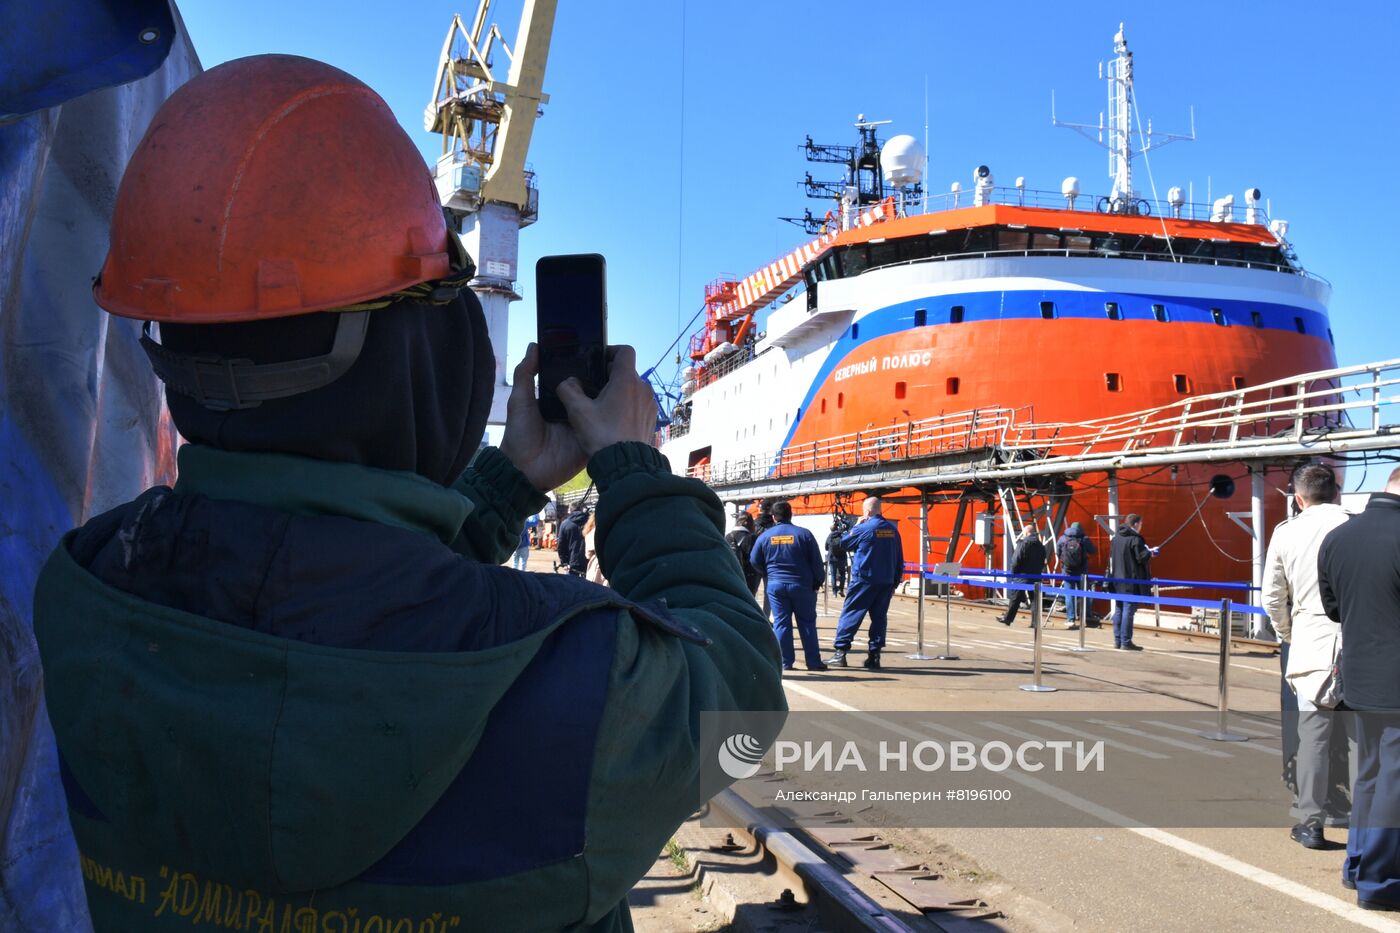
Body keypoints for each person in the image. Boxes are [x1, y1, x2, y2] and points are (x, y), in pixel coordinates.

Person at [31, 55, 785, 932]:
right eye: (441, 292)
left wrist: (505, 486)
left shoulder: (82, 591)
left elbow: (326, 605)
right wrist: (631, 468)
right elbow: (736, 690)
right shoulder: (572, 678)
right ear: (413, 351)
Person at [1319, 466, 1400, 912]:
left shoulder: (1339, 537)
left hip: (1359, 675)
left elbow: (1332, 608)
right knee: (1394, 778)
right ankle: (1381, 879)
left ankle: (1356, 863)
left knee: (1368, 772)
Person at [1261, 463, 1352, 849]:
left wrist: (1290, 635)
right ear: (1337, 492)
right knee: (1362, 736)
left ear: (1298, 498)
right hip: (1359, 638)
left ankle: (1311, 822)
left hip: (1311, 641)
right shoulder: (1355, 525)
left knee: (1313, 735)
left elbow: (1271, 597)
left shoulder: (1287, 533)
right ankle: (1368, 821)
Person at [827, 496, 904, 669]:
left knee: (852, 613)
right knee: (879, 618)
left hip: (864, 580)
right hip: (886, 581)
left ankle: (840, 653)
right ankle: (874, 656)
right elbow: (900, 557)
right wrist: (895, 582)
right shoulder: (892, 530)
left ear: (867, 511)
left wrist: (856, 526)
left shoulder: (864, 528)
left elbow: (843, 544)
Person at [749, 502, 827, 671]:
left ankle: (785, 662)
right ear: (791, 514)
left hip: (776, 585)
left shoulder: (765, 536)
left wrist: (768, 573)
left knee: (781, 624)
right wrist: (817, 582)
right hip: (802, 586)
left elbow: (754, 560)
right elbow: (817, 563)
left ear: (773, 517)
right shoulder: (804, 534)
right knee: (807, 623)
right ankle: (813, 662)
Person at [1108, 513, 1156, 650]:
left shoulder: (1116, 538)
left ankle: (1117, 641)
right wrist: (1151, 553)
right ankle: (1126, 641)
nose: (1141, 527)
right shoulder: (1135, 539)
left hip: (1117, 579)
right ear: (1135, 524)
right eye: (1141, 524)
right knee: (1128, 610)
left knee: (1119, 609)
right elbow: (1141, 558)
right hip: (1131, 580)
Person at [999, 527, 1048, 627]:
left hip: (1022, 576)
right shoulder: (1040, 545)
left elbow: (1016, 559)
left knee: (1015, 598)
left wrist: (1013, 573)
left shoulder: (1023, 543)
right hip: (1036, 576)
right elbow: (1043, 561)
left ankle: (1008, 619)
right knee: (1035, 600)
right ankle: (1035, 623)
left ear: (1026, 532)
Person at [1055, 521, 1096, 629]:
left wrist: (1064, 563)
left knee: (1069, 594)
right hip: (1082, 571)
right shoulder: (1084, 538)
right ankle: (1086, 616)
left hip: (1067, 572)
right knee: (1084, 593)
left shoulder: (1062, 538)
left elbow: (1057, 552)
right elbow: (1093, 551)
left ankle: (1071, 619)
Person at [726, 512, 761, 595]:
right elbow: (754, 559)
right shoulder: (752, 537)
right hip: (748, 576)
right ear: (749, 523)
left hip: (731, 575)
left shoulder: (727, 536)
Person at [557, 501, 589, 576]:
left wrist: (564, 562)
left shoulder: (565, 523)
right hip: (588, 561)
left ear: (570, 510)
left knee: (572, 586)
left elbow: (561, 545)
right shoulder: (591, 522)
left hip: (571, 562)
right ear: (582, 509)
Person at [825, 519, 850, 597]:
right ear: (837, 528)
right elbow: (847, 545)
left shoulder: (829, 537)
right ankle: (841, 590)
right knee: (842, 574)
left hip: (832, 558)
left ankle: (834, 593)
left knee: (833, 575)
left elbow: (826, 548)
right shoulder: (842, 535)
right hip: (842, 558)